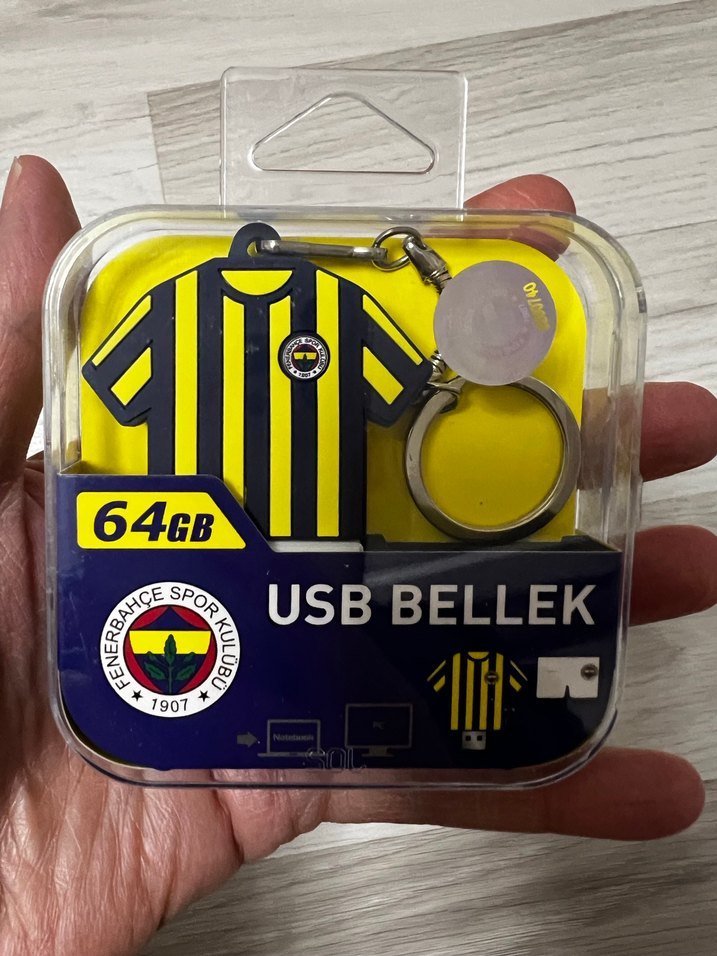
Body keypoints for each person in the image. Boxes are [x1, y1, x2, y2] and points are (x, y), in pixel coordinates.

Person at [0, 155, 715, 956]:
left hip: (301, 567)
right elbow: (401, 391)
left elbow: (408, 394)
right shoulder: (175, 304)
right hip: (218, 567)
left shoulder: (322, 302)